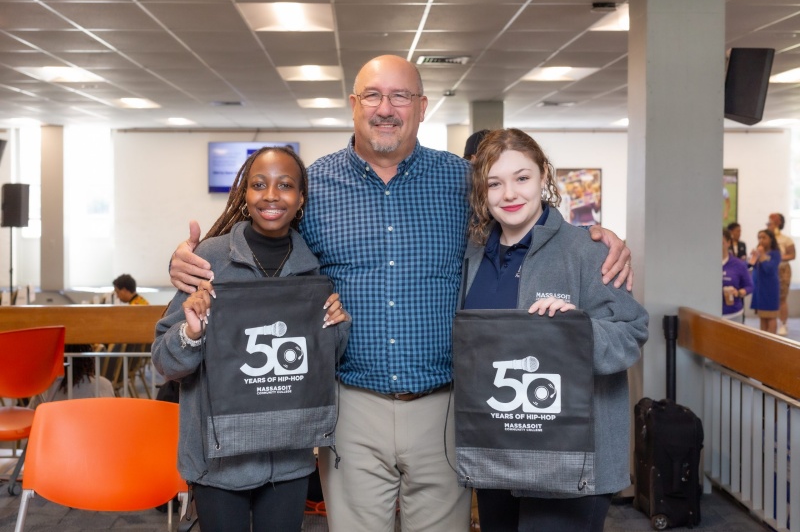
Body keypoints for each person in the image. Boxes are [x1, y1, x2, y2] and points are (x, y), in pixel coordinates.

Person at [167, 55, 634, 532]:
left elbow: (525, 225)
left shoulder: (463, 182)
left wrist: (595, 239)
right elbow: (261, 237)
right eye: (373, 95)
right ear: (353, 104)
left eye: (400, 96)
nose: (385, 108)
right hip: (351, 406)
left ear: (422, 106)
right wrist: (188, 257)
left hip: (446, 407)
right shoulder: (316, 186)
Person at [152, 146, 350, 532]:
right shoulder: (210, 259)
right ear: (245, 195)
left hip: (289, 457)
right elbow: (165, 360)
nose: (272, 195)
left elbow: (325, 363)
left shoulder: (316, 267)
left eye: (285, 185)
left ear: (301, 198)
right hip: (219, 460)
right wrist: (192, 332)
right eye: (259, 184)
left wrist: (337, 326)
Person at [461, 128, 648, 532]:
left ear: (545, 175)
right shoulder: (473, 255)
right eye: (495, 183)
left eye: (522, 178)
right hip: (499, 450)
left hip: (570, 460)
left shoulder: (588, 250)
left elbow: (632, 333)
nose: (509, 193)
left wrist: (575, 331)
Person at [30, 345, 115, 407]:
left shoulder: (46, 388)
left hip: (57, 431)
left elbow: (33, 419)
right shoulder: (104, 385)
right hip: (95, 430)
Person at [767, 213, 795, 335]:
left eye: (773, 222)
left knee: (782, 298)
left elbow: (792, 255)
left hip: (782, 270)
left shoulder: (786, 240)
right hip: (769, 270)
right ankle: (768, 321)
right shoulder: (766, 238)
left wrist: (778, 257)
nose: (770, 224)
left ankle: (783, 324)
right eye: (769, 222)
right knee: (769, 297)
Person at [749, 229, 781, 334]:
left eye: (764, 237)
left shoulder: (775, 253)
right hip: (759, 288)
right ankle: (764, 341)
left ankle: (771, 342)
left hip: (770, 288)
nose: (761, 240)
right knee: (762, 317)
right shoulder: (759, 252)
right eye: (759, 238)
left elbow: (769, 269)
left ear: (771, 239)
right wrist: (753, 257)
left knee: (771, 317)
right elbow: (749, 266)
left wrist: (762, 255)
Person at [722, 228, 753, 321]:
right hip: (710, 313)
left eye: (721, 242)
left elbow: (749, 286)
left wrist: (738, 292)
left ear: (728, 243)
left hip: (732, 314)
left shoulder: (738, 264)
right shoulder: (706, 264)